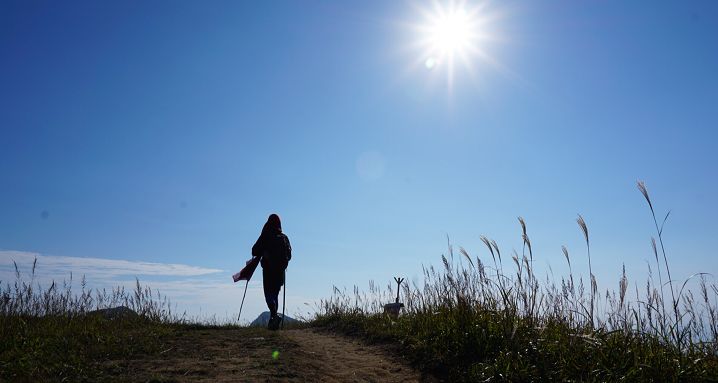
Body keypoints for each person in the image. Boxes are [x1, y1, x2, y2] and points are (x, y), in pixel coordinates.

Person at [252, 213, 291, 330]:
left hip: (268, 270)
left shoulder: (265, 236)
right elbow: (289, 255)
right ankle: (273, 321)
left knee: (268, 294)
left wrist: (264, 252)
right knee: (275, 294)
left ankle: (274, 315)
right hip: (280, 271)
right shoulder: (284, 237)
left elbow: (254, 250)